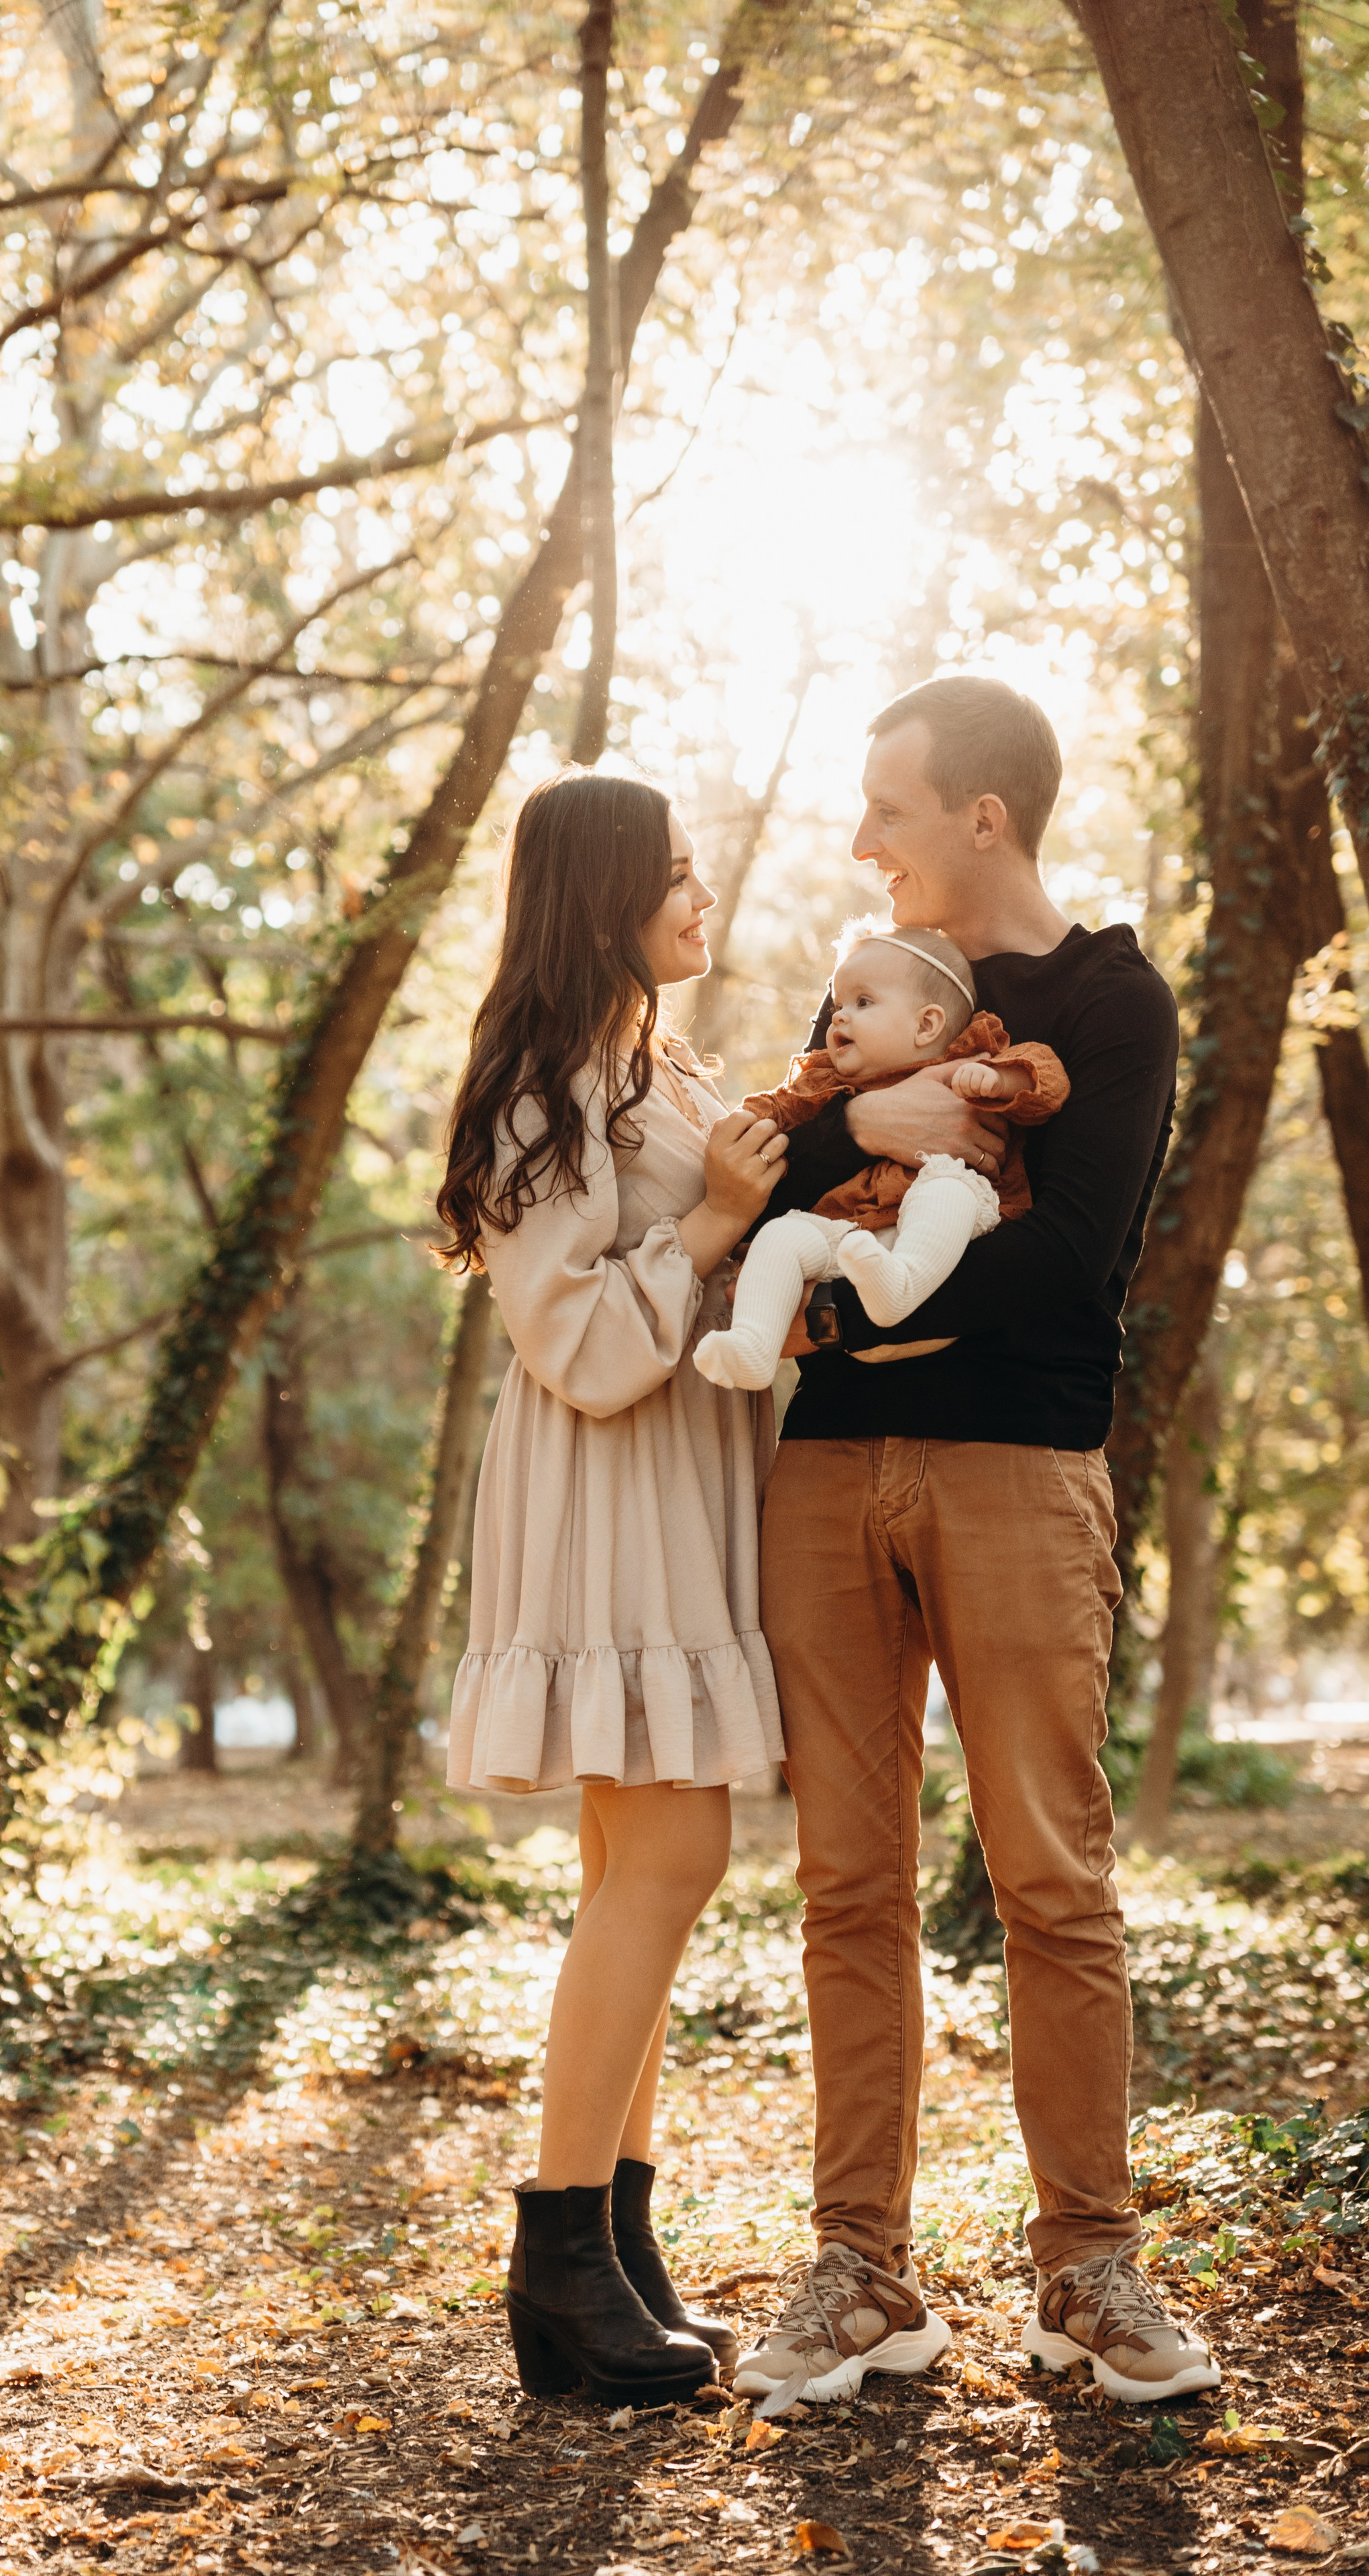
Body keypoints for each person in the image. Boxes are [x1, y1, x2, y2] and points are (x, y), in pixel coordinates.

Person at [736, 674, 1217, 2415]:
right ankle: (862, 2273)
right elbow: (774, 1193)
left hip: (1020, 1475)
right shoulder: (874, 991)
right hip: (827, 1490)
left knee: (1051, 1884)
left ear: (983, 821)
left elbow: (1068, 1257)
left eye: (889, 810)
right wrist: (839, 1159)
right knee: (847, 1886)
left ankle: (1086, 2270)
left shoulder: (1110, 1000)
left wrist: (842, 1322)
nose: (862, 843)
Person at [435, 766, 789, 2409]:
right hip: (604, 1499)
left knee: (627, 1867)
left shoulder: (645, 1070)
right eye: (668, 874)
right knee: (671, 1847)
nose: (697, 893)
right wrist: (717, 1220)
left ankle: (618, 2240)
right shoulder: (536, 1096)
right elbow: (573, 1341)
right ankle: (554, 2259)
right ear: (596, 901)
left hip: (673, 1491)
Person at [693, 924, 1068, 1389]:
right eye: (838, 1004)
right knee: (783, 1235)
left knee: (948, 1187)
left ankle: (903, 1282)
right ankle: (753, 1344)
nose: (839, 1018)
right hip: (854, 1241)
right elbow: (776, 1109)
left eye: (863, 1003)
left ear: (926, 1024)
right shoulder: (822, 1079)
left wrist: (1000, 1081)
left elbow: (1047, 1079)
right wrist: (744, 1121)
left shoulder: (971, 1054)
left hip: (935, 1249)